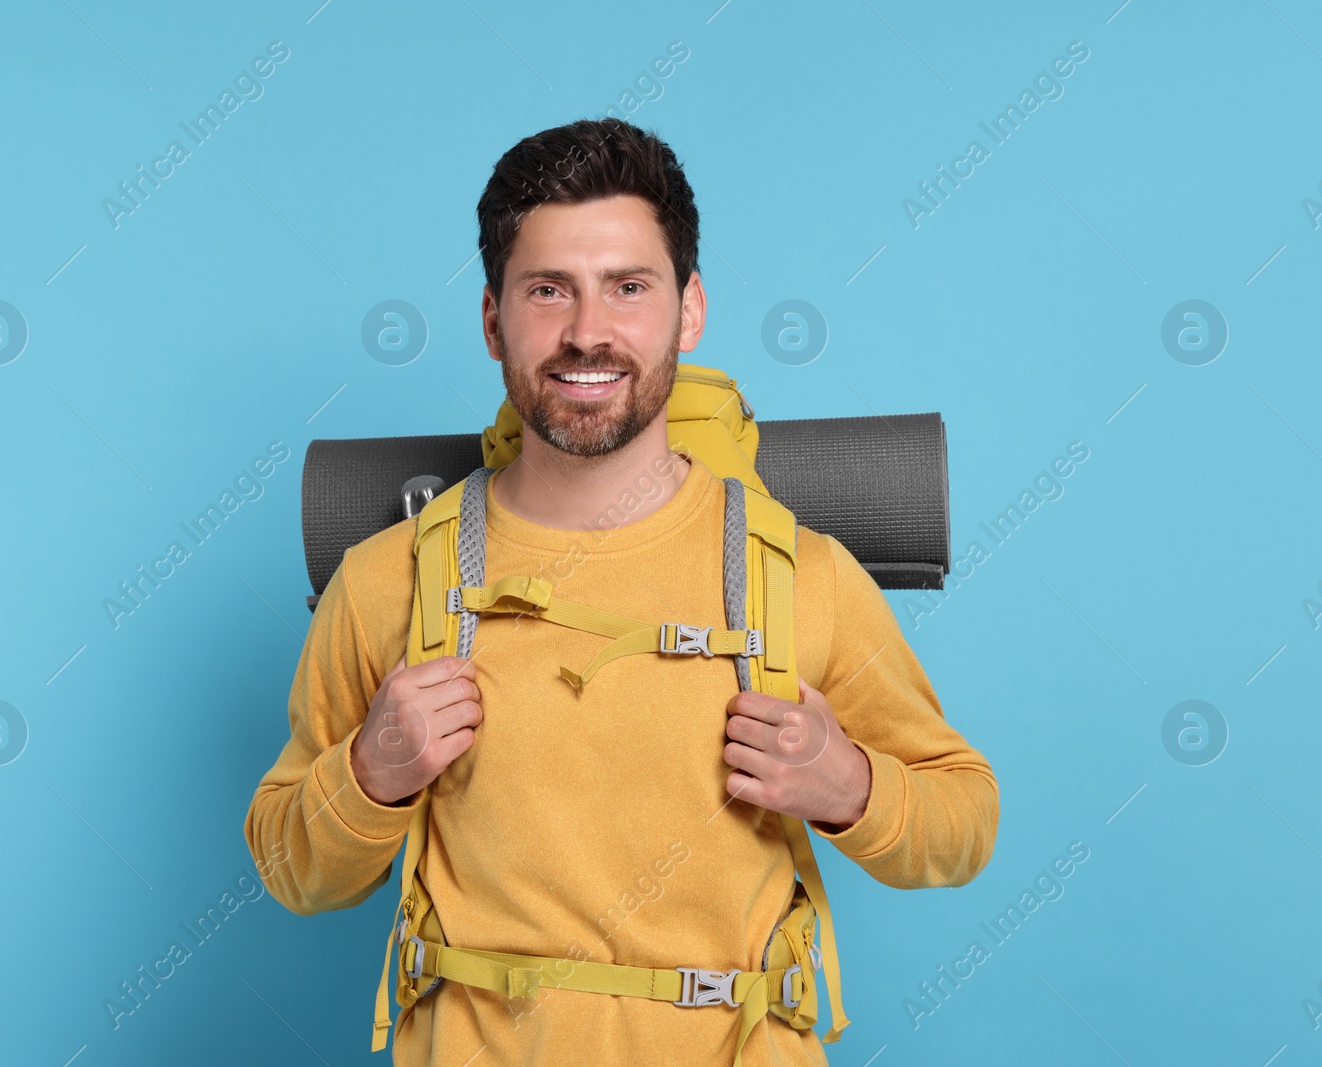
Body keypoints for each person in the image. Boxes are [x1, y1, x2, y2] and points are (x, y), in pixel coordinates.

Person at [244, 116, 999, 1065]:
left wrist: (853, 787)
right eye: (548, 289)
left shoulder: (801, 575)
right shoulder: (387, 579)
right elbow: (286, 863)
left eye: (628, 287)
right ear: (492, 319)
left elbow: (965, 819)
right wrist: (366, 777)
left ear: (688, 311)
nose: (587, 331)